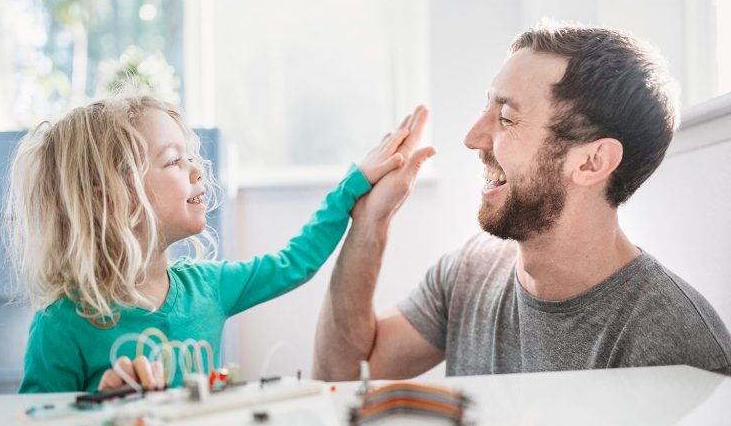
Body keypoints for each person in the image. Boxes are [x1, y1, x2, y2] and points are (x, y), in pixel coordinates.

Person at [312, 24, 731, 381]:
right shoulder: (472, 270)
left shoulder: (676, 348)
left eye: (507, 118)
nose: (472, 138)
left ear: (591, 162)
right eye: (486, 109)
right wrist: (370, 220)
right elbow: (343, 377)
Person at [8, 94, 435, 392]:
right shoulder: (62, 322)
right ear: (109, 194)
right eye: (174, 161)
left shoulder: (208, 287)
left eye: (190, 156)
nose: (198, 170)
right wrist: (95, 408)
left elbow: (295, 262)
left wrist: (354, 184)